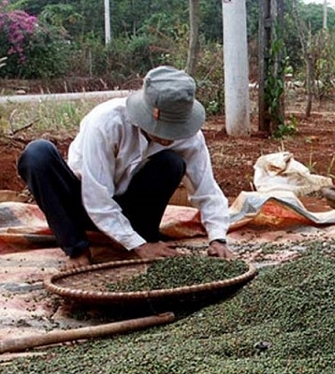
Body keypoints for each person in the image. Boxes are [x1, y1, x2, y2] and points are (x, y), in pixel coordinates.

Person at [17, 65, 233, 269]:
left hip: (133, 209)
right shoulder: (107, 123)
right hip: (83, 202)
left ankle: (140, 237)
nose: (169, 138)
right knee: (38, 154)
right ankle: (77, 249)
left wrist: (218, 238)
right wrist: (138, 245)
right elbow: (96, 197)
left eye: (174, 130)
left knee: (171, 163)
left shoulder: (190, 136)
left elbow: (207, 189)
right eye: (164, 129)